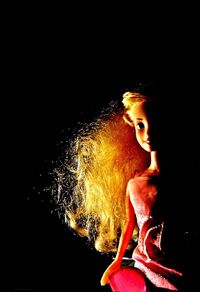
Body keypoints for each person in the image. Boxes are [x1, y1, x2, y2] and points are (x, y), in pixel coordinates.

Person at [53, 85, 183, 291]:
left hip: (177, 262)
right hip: (145, 262)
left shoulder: (180, 180)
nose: (148, 133)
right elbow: (129, 224)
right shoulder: (134, 183)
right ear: (131, 123)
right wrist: (118, 260)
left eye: (156, 123)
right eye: (140, 125)